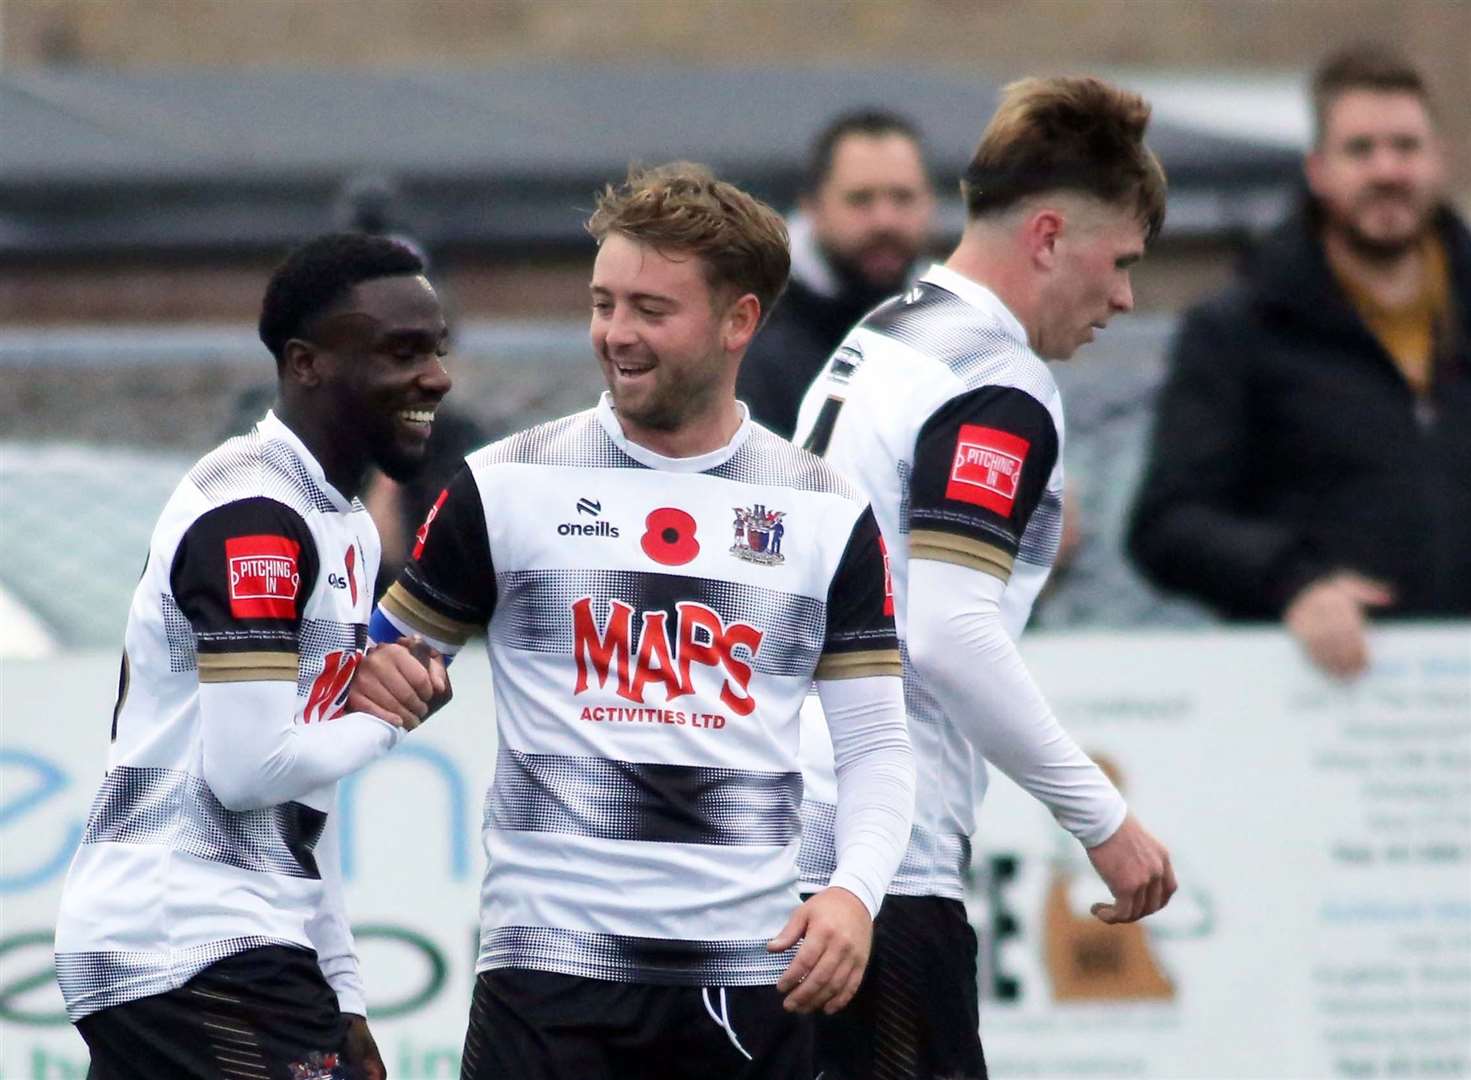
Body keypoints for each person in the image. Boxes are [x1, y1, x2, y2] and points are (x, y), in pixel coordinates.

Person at [361, 162, 917, 1079]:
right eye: (602, 302)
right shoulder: (506, 484)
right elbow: (376, 672)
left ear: (739, 321)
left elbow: (876, 750)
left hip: (747, 975)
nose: (615, 334)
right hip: (548, 972)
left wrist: (853, 894)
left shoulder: (824, 507)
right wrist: (357, 671)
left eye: (650, 310)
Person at [792, 77, 1178, 1079]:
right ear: (1048, 237)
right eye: (1121, 262)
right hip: (881, 861)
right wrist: (1103, 819)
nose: (1125, 298)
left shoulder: (884, 333)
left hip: (783, 829)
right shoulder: (994, 378)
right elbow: (947, 632)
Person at [54, 233, 452, 1080]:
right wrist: (387, 713)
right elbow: (251, 769)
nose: (436, 378)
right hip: (192, 945)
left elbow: (301, 800)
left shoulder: (333, 519)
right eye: (400, 351)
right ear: (306, 363)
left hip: (209, 940)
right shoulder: (255, 517)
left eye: (436, 349)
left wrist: (344, 993)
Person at [1127, 44, 1471, 678]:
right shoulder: (1239, 330)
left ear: (1440, 160)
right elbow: (1168, 523)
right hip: (1313, 707)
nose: (1388, 170)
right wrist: (1292, 581)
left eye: (1406, 146)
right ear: (1317, 169)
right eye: (1361, 150)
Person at [737, 109, 935, 438]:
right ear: (811, 207)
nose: (884, 220)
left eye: (902, 198)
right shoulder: (750, 328)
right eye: (860, 199)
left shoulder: (956, 324)